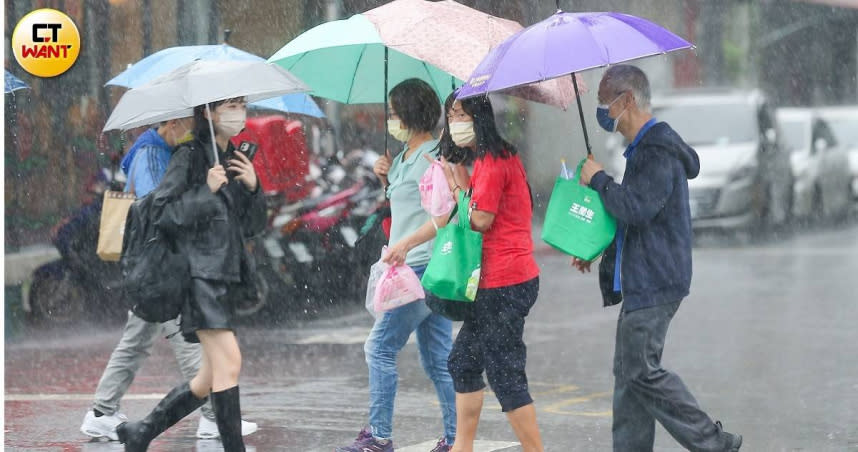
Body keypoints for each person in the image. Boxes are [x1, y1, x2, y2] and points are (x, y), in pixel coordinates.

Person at [575, 64, 742, 452]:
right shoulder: (643, 149)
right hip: (644, 277)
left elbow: (637, 208)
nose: (603, 112)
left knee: (641, 372)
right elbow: (635, 219)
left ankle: (714, 443)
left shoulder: (657, 149)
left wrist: (599, 179)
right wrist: (595, 248)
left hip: (656, 278)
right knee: (629, 376)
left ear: (626, 100)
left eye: (605, 102)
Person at [80, 118, 257, 442]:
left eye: (242, 105)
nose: (240, 113)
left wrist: (250, 186)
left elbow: (241, 220)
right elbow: (158, 211)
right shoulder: (162, 153)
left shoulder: (215, 156)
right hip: (173, 270)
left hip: (197, 273)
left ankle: (136, 428)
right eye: (233, 105)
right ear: (173, 123)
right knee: (213, 357)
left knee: (193, 367)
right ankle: (210, 417)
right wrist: (202, 190)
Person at [336, 78, 457, 452]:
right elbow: (404, 207)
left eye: (393, 113)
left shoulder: (434, 158)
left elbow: (443, 214)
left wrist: (405, 243)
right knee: (437, 358)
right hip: (409, 267)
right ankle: (456, 438)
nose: (390, 119)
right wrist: (386, 178)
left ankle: (379, 435)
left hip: (422, 267)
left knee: (380, 348)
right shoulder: (404, 156)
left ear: (409, 113)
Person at [438, 93, 544, 452]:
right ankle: (461, 448)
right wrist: (457, 174)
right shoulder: (489, 159)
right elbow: (480, 203)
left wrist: (454, 185)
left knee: (504, 372)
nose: (454, 122)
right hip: (497, 282)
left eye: (458, 113)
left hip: (507, 281)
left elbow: (480, 219)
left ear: (477, 116)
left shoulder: (495, 160)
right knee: (463, 362)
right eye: (450, 115)